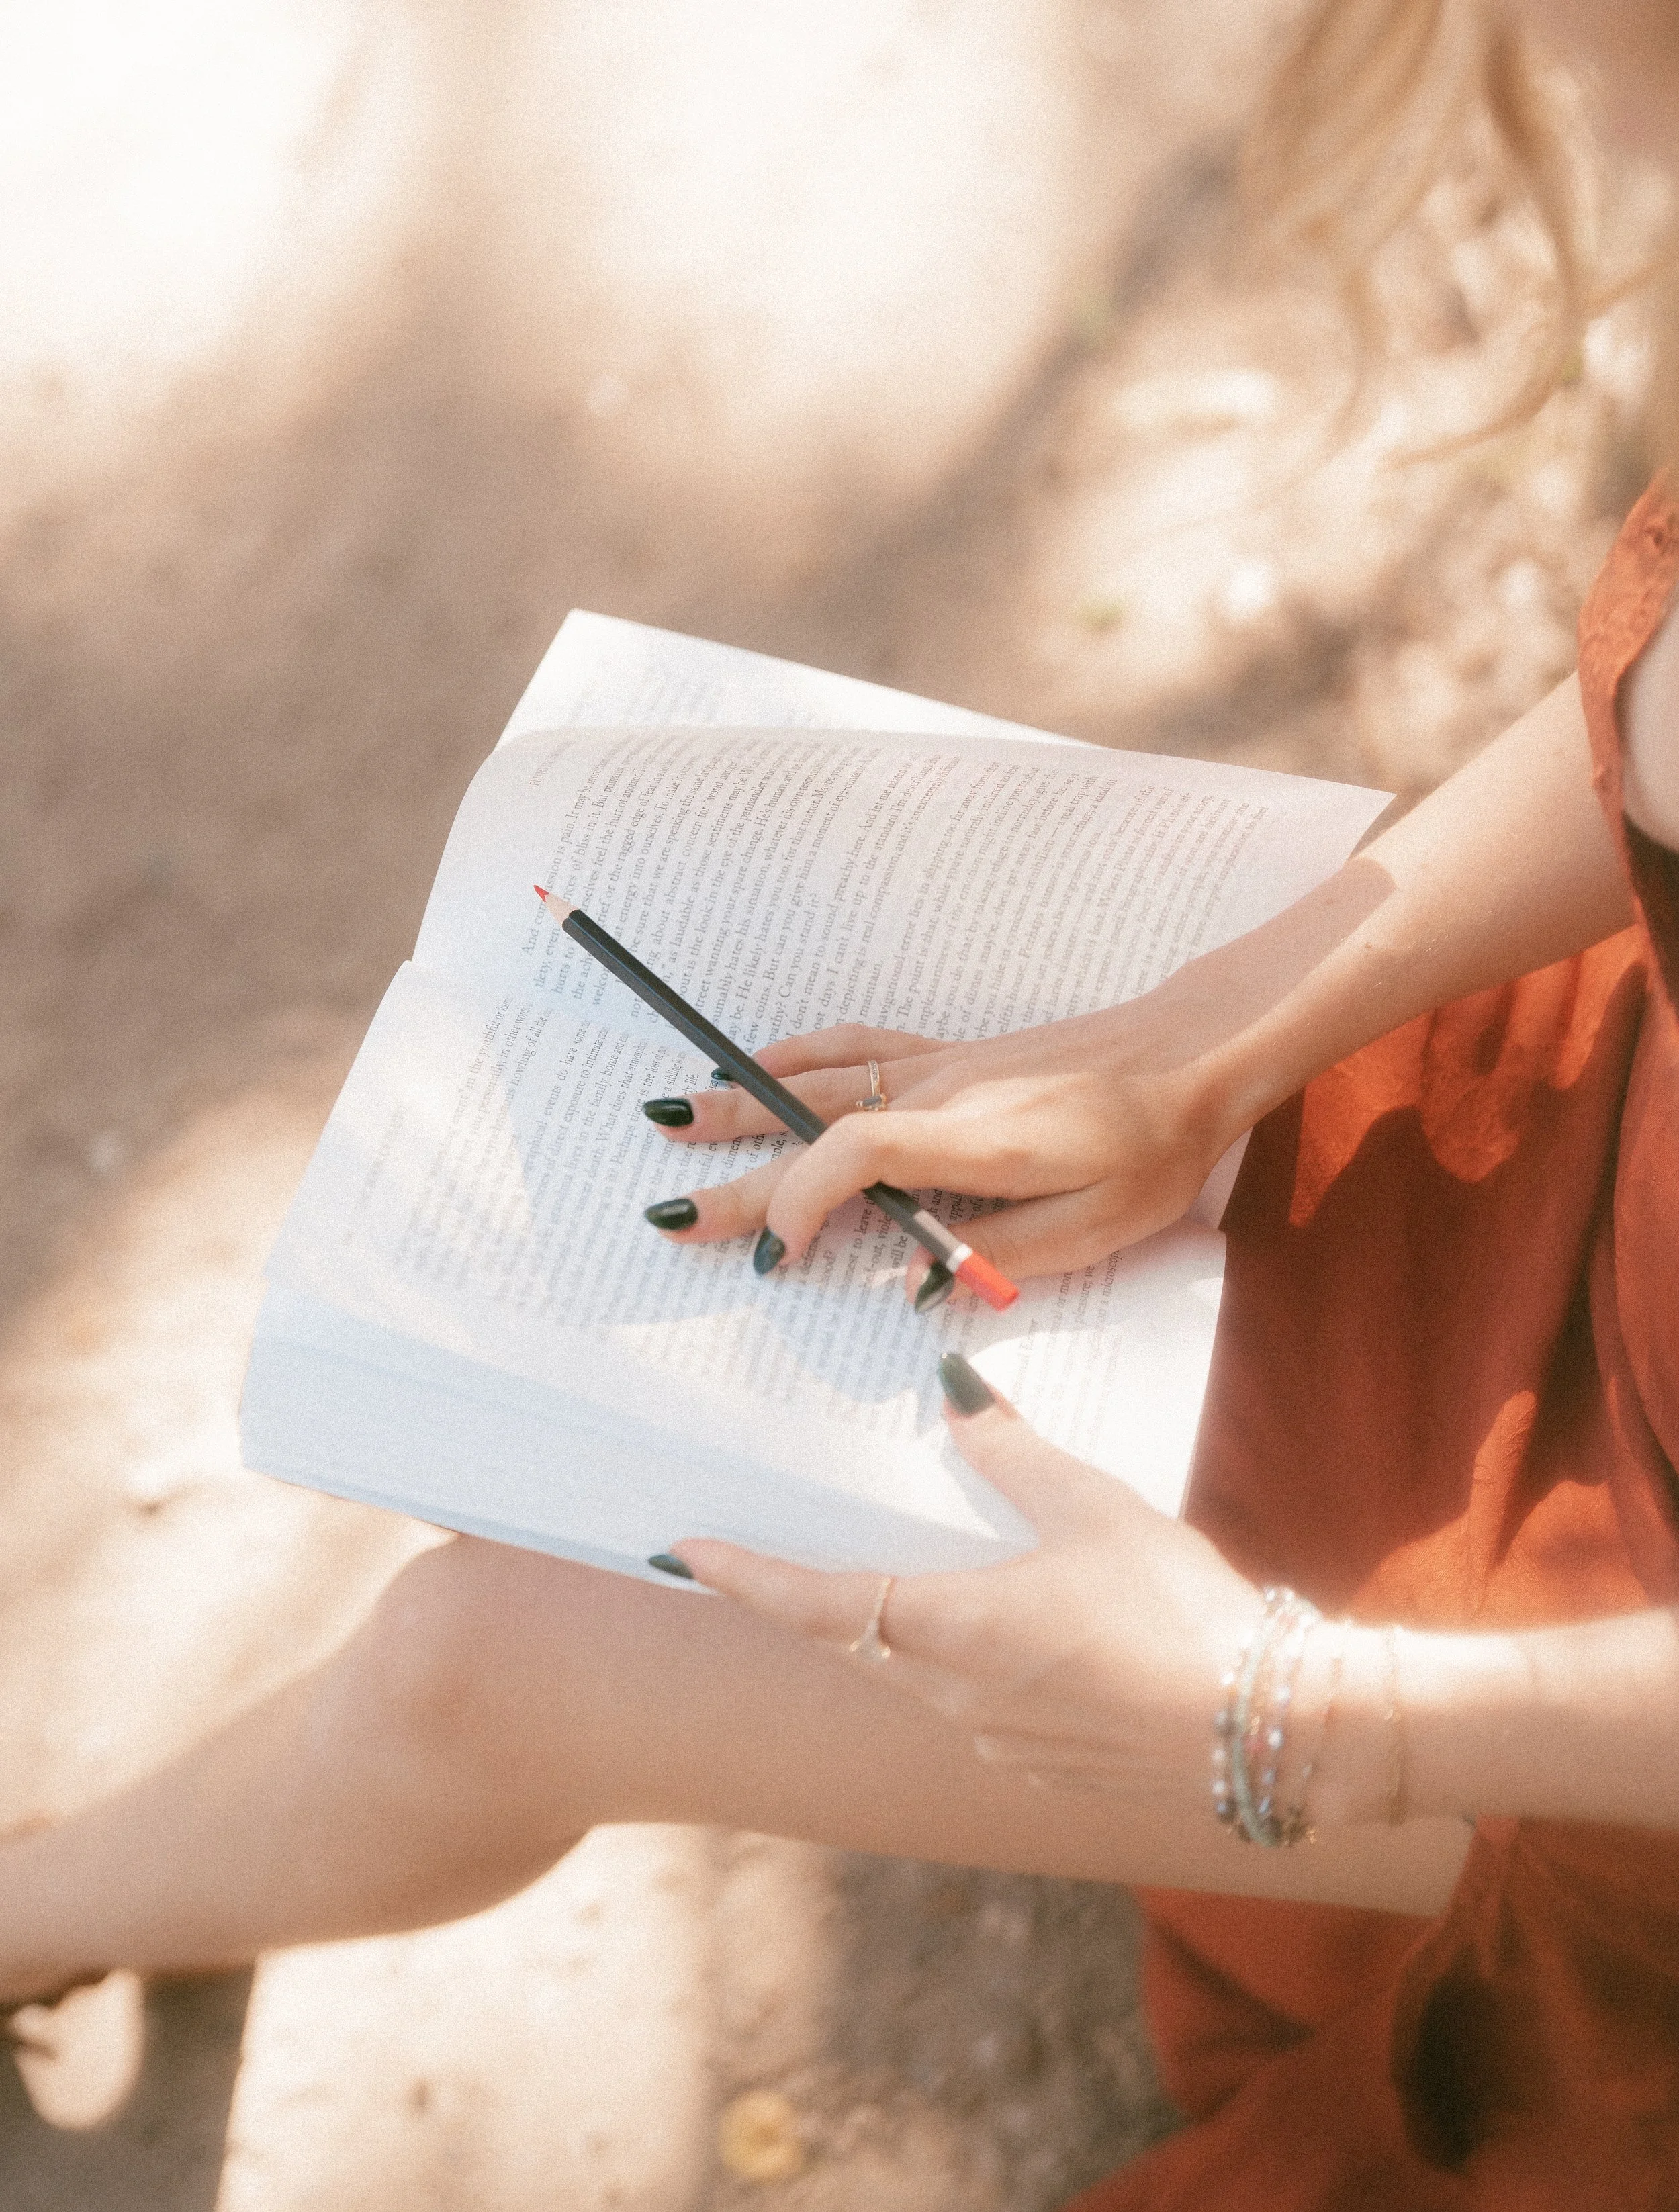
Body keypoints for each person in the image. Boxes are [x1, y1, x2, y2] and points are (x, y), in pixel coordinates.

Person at [6, 1, 1679, 2200]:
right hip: (1576, 1140)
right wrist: (1207, 1034)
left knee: (487, 1658)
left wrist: (1301, 1711)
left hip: (1583, 1679)